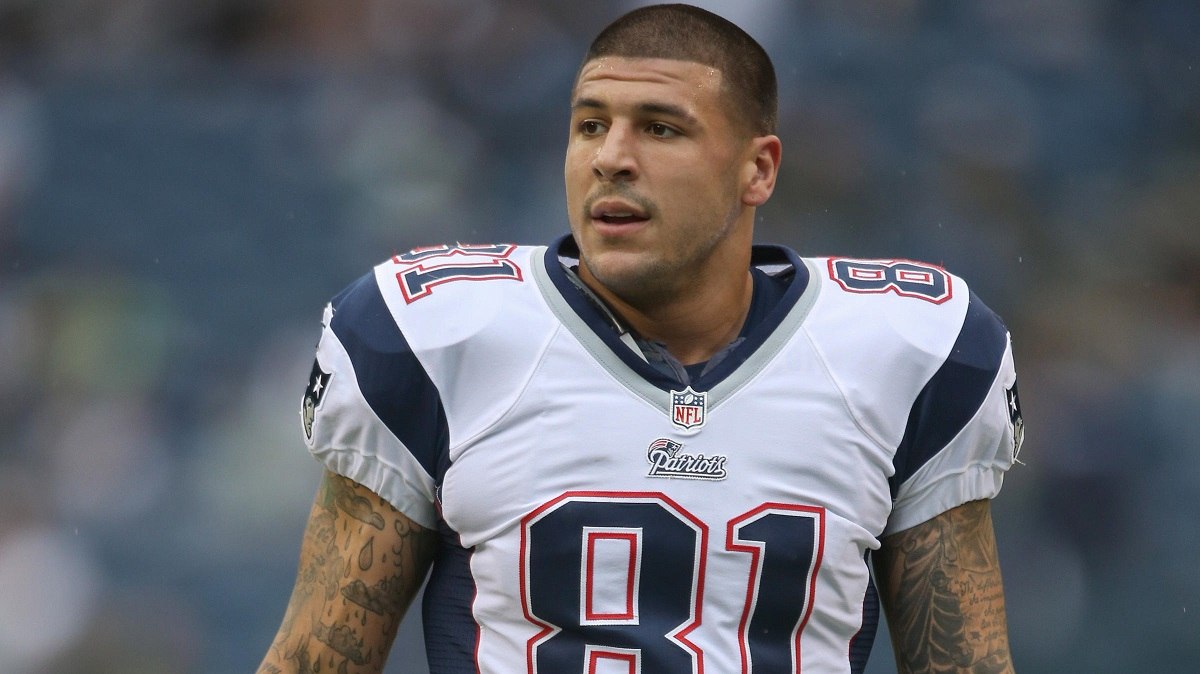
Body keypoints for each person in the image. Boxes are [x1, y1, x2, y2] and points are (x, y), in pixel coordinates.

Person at [257, 4, 1024, 673]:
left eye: (660, 128)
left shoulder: (905, 351)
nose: (610, 157)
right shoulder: (437, 338)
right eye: (590, 124)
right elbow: (318, 658)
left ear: (758, 169)